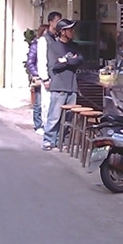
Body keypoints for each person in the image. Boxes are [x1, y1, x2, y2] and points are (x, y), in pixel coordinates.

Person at [41, 18, 84, 151]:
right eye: (70, 29)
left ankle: (62, 140)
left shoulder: (75, 46)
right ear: (62, 31)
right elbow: (55, 65)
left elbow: (80, 60)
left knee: (69, 117)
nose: (72, 32)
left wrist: (66, 60)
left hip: (72, 86)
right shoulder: (53, 46)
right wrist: (71, 60)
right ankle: (48, 140)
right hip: (59, 86)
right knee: (54, 116)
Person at [36, 11, 63, 139]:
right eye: (57, 21)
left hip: (57, 77)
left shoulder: (57, 38)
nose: (59, 24)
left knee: (55, 106)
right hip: (48, 77)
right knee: (47, 104)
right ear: (51, 22)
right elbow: (42, 60)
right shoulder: (44, 39)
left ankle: (54, 132)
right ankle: (47, 132)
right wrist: (45, 78)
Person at [26, 24, 50, 135]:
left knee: (46, 102)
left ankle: (45, 124)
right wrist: (37, 74)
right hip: (39, 77)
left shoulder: (51, 44)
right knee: (38, 102)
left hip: (47, 77)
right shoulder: (36, 45)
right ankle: (38, 125)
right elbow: (30, 62)